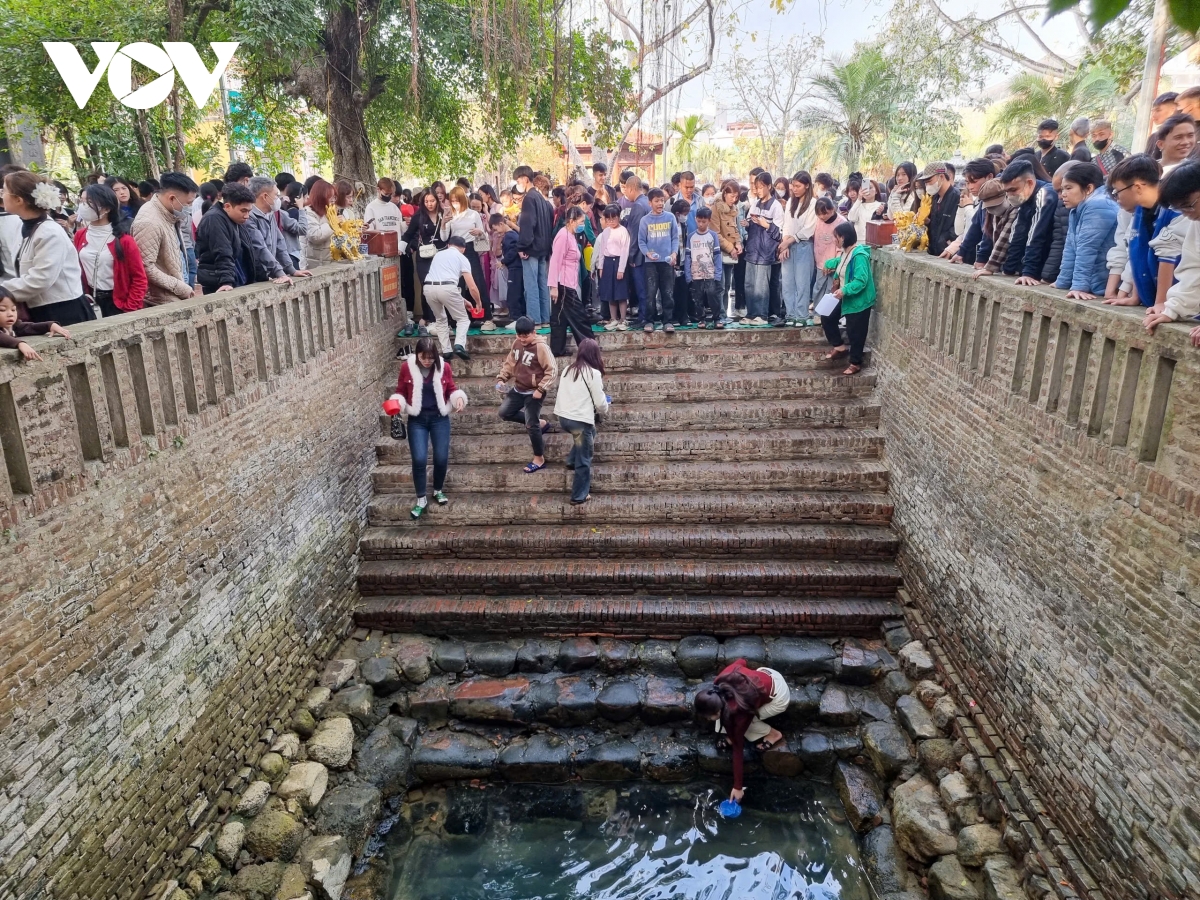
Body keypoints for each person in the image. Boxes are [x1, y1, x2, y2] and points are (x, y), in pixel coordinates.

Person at [694, 657, 792, 803]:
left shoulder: (741, 711)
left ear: (718, 711)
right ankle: (730, 733)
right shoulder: (718, 683)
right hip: (766, 674)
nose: (707, 719)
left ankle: (773, 734)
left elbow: (738, 749)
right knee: (730, 724)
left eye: (709, 716)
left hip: (778, 696)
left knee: (747, 725)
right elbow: (741, 661)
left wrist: (737, 787)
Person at [390, 335, 468, 519]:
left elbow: (451, 388)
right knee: (419, 459)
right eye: (423, 357)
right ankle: (420, 499)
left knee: (441, 458)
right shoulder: (406, 368)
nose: (427, 361)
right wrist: (397, 403)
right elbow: (400, 391)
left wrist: (457, 397)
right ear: (417, 355)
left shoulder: (444, 367)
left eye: (430, 357)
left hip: (439, 418)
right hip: (417, 420)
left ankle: (438, 489)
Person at [1, 171, 92, 324]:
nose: (1, 195)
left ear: (18, 200)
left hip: (63, 310)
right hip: (38, 309)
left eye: (4, 191)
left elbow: (40, 279)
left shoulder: (49, 232)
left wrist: (4, 290)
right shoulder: (25, 226)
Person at [1105, 154, 1184, 311]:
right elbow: (1138, 251)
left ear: (1138, 188)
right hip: (1151, 299)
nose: (1116, 198)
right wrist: (1136, 296)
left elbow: (1168, 256)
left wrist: (1161, 303)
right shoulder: (1139, 211)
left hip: (1178, 302)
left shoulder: (1175, 209)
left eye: (1117, 191)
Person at [1145, 161, 1200, 344]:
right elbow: (1193, 269)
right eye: (1179, 209)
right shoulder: (1196, 223)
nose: (1186, 213)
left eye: (1188, 205)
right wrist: (1173, 310)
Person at [74, 184, 148, 317]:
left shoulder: (124, 240)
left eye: (89, 202)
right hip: (91, 302)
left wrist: (129, 308)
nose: (83, 206)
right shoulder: (80, 236)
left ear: (107, 208)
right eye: (82, 201)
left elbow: (139, 278)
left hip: (118, 303)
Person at [496, 315, 558, 474]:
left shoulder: (541, 347)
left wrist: (541, 389)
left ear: (534, 332)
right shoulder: (517, 344)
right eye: (519, 335)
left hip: (534, 392)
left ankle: (539, 458)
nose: (522, 339)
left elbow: (552, 371)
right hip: (518, 388)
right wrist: (502, 378)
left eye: (526, 335)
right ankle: (541, 424)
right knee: (504, 412)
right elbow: (510, 363)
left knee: (531, 424)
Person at [553, 337, 609, 505]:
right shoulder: (594, 373)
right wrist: (606, 406)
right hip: (579, 421)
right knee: (585, 460)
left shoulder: (567, 370)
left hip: (564, 418)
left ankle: (571, 460)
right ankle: (579, 495)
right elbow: (600, 403)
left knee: (591, 432)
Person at [131, 171, 199, 306]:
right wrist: (179, 287)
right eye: (188, 203)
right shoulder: (149, 222)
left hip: (177, 290)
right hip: (162, 299)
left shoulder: (169, 213)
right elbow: (146, 266)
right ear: (172, 198)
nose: (189, 208)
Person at [1053, 163, 1119, 299]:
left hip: (1103, 284)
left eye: (1068, 188)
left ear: (1089, 188)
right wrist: (1062, 282)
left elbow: (1087, 249)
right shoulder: (1077, 208)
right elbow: (1070, 248)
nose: (1062, 195)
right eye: (1062, 189)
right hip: (1095, 284)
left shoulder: (1098, 204)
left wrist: (1079, 287)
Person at [820, 221, 875, 376]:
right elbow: (841, 263)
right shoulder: (846, 252)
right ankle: (839, 346)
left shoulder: (859, 256)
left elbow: (861, 280)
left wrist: (844, 290)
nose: (834, 240)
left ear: (843, 238)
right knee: (827, 316)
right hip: (845, 295)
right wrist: (830, 262)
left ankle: (855, 362)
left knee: (855, 331)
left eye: (836, 237)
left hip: (858, 299)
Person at [996, 159, 1060, 285]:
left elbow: (1036, 234)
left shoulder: (1044, 194)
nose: (1009, 195)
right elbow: (1017, 233)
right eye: (1007, 191)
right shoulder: (1024, 198)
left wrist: (1028, 273)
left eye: (1013, 190)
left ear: (1029, 183)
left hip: (1047, 266)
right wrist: (1009, 269)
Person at [441, 185, 493, 330]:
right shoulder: (450, 214)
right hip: (454, 250)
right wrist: (444, 223)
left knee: (476, 282)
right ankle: (458, 318)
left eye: (457, 201)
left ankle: (484, 316)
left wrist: (479, 232)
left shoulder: (473, 214)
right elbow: (444, 237)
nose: (455, 204)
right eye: (452, 201)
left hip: (470, 248)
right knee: (456, 285)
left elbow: (483, 235)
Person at [423, 235, 482, 361]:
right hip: (448, 288)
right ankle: (459, 345)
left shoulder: (438, 255)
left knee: (440, 319)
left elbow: (441, 280)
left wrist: (462, 300)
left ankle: (447, 351)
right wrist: (478, 302)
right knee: (462, 319)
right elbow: (471, 287)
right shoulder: (462, 258)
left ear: (449, 245)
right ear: (463, 249)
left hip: (428, 288)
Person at [246, 176, 311, 285]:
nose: (279, 198)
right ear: (265, 196)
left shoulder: (270, 214)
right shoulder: (249, 217)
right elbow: (260, 247)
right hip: (256, 276)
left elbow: (280, 242)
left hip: (268, 273)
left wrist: (291, 270)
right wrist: (279, 273)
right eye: (276, 195)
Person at [548, 206, 594, 354]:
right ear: (571, 221)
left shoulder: (570, 235)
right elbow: (555, 261)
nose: (582, 225)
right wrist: (553, 286)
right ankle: (589, 347)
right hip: (563, 285)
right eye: (580, 222)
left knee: (559, 319)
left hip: (568, 283)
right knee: (579, 316)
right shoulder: (563, 236)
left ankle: (557, 349)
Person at [195, 183, 256, 294]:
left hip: (236, 278)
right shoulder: (214, 219)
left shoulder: (235, 219)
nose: (247, 216)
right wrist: (226, 282)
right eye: (243, 211)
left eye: (249, 211)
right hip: (219, 282)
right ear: (227, 206)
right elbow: (222, 251)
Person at [515, 166, 555, 326]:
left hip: (531, 248)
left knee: (531, 286)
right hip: (543, 248)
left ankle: (534, 320)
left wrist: (522, 246)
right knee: (542, 285)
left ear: (525, 179)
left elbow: (528, 224)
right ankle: (545, 318)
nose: (518, 183)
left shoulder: (529, 198)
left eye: (518, 180)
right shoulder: (542, 199)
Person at [741, 172, 783, 326]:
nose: (757, 190)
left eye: (760, 187)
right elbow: (752, 223)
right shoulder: (755, 204)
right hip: (752, 250)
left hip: (766, 253)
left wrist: (766, 225)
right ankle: (751, 314)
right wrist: (748, 224)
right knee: (749, 284)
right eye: (755, 187)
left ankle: (762, 315)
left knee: (761, 285)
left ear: (769, 187)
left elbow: (779, 233)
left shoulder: (776, 206)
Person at [638, 188, 680, 333]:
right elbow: (641, 241)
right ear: (650, 203)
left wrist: (674, 253)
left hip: (667, 262)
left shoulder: (670, 218)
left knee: (667, 292)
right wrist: (647, 253)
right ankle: (650, 321)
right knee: (650, 293)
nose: (660, 203)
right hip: (651, 264)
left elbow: (675, 238)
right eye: (656, 201)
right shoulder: (645, 220)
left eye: (662, 200)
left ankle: (667, 320)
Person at [779, 171, 817, 326]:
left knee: (802, 282)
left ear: (807, 186)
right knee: (787, 282)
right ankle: (790, 313)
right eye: (793, 186)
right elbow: (786, 224)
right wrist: (785, 244)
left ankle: (801, 315)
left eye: (798, 186)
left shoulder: (813, 203)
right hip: (788, 244)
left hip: (803, 245)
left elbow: (809, 229)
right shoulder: (790, 202)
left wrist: (790, 241)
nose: (794, 189)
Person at [945, 158, 999, 264]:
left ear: (990, 177)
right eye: (967, 183)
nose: (970, 187)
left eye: (974, 182)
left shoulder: (999, 198)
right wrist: (961, 252)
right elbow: (974, 227)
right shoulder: (981, 199)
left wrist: (982, 259)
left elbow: (988, 232)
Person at [0, 287, 71, 360]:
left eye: (13, 309)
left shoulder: (12, 326)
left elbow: (27, 327)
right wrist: (20, 343)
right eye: (2, 310)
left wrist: (49, 325)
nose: (10, 314)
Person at [685, 206, 724, 329]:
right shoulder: (691, 237)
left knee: (713, 295)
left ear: (709, 221)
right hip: (696, 274)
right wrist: (688, 274)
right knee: (698, 297)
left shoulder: (713, 236)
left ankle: (716, 318)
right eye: (699, 221)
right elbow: (688, 257)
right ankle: (701, 319)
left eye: (704, 221)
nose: (701, 224)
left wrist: (718, 273)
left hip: (711, 273)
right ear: (695, 219)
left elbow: (717, 256)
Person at [593, 204, 629, 330]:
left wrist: (621, 269)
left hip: (619, 261)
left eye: (613, 218)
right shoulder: (605, 232)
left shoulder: (623, 231)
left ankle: (623, 319)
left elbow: (625, 251)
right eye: (608, 219)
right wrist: (601, 267)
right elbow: (602, 250)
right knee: (609, 292)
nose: (611, 221)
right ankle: (613, 318)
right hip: (607, 263)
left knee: (620, 293)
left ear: (618, 217)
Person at [620, 175, 651, 323]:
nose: (626, 194)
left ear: (631, 188)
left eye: (627, 190)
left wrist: (631, 256)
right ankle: (646, 316)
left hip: (639, 255)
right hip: (648, 253)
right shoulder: (647, 203)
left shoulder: (638, 206)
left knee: (641, 289)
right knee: (646, 288)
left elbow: (635, 233)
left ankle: (644, 318)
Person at [712, 180, 742, 319]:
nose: (734, 199)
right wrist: (731, 248)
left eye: (736, 197)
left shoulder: (734, 209)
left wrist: (738, 244)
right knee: (720, 286)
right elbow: (716, 233)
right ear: (725, 194)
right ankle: (719, 315)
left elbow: (735, 230)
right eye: (731, 196)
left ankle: (724, 314)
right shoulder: (716, 208)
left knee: (727, 286)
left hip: (731, 254)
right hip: (719, 253)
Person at [918, 162, 960, 257]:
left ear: (941, 177)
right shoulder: (934, 198)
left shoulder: (957, 197)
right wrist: (927, 221)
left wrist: (945, 241)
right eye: (925, 183)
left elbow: (959, 228)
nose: (927, 185)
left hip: (949, 252)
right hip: (934, 251)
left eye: (929, 181)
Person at [303, 178, 336, 266]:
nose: (333, 200)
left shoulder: (329, 211)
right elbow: (315, 236)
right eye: (330, 197)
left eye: (334, 197)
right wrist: (332, 224)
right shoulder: (308, 212)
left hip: (329, 261)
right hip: (314, 264)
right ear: (321, 197)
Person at [365, 177, 405, 242]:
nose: (388, 196)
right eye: (386, 194)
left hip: (396, 248)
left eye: (391, 194)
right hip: (380, 248)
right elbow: (369, 232)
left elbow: (401, 230)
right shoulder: (371, 208)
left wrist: (407, 224)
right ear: (378, 189)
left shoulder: (394, 208)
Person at [278, 181, 307, 271]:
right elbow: (303, 229)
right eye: (305, 196)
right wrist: (301, 208)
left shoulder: (286, 210)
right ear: (298, 197)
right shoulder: (294, 212)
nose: (308, 198)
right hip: (291, 254)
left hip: (289, 253)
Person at [846, 180, 885, 245]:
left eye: (870, 188)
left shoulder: (881, 206)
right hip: (859, 241)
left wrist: (879, 214)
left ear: (876, 191)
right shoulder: (859, 205)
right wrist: (859, 199)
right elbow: (851, 218)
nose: (867, 191)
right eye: (864, 188)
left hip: (874, 241)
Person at [1146, 92, 1179, 157]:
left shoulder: (1189, 136)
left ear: (1173, 110)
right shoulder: (1154, 137)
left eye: (1158, 110)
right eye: (1152, 111)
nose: (1153, 115)